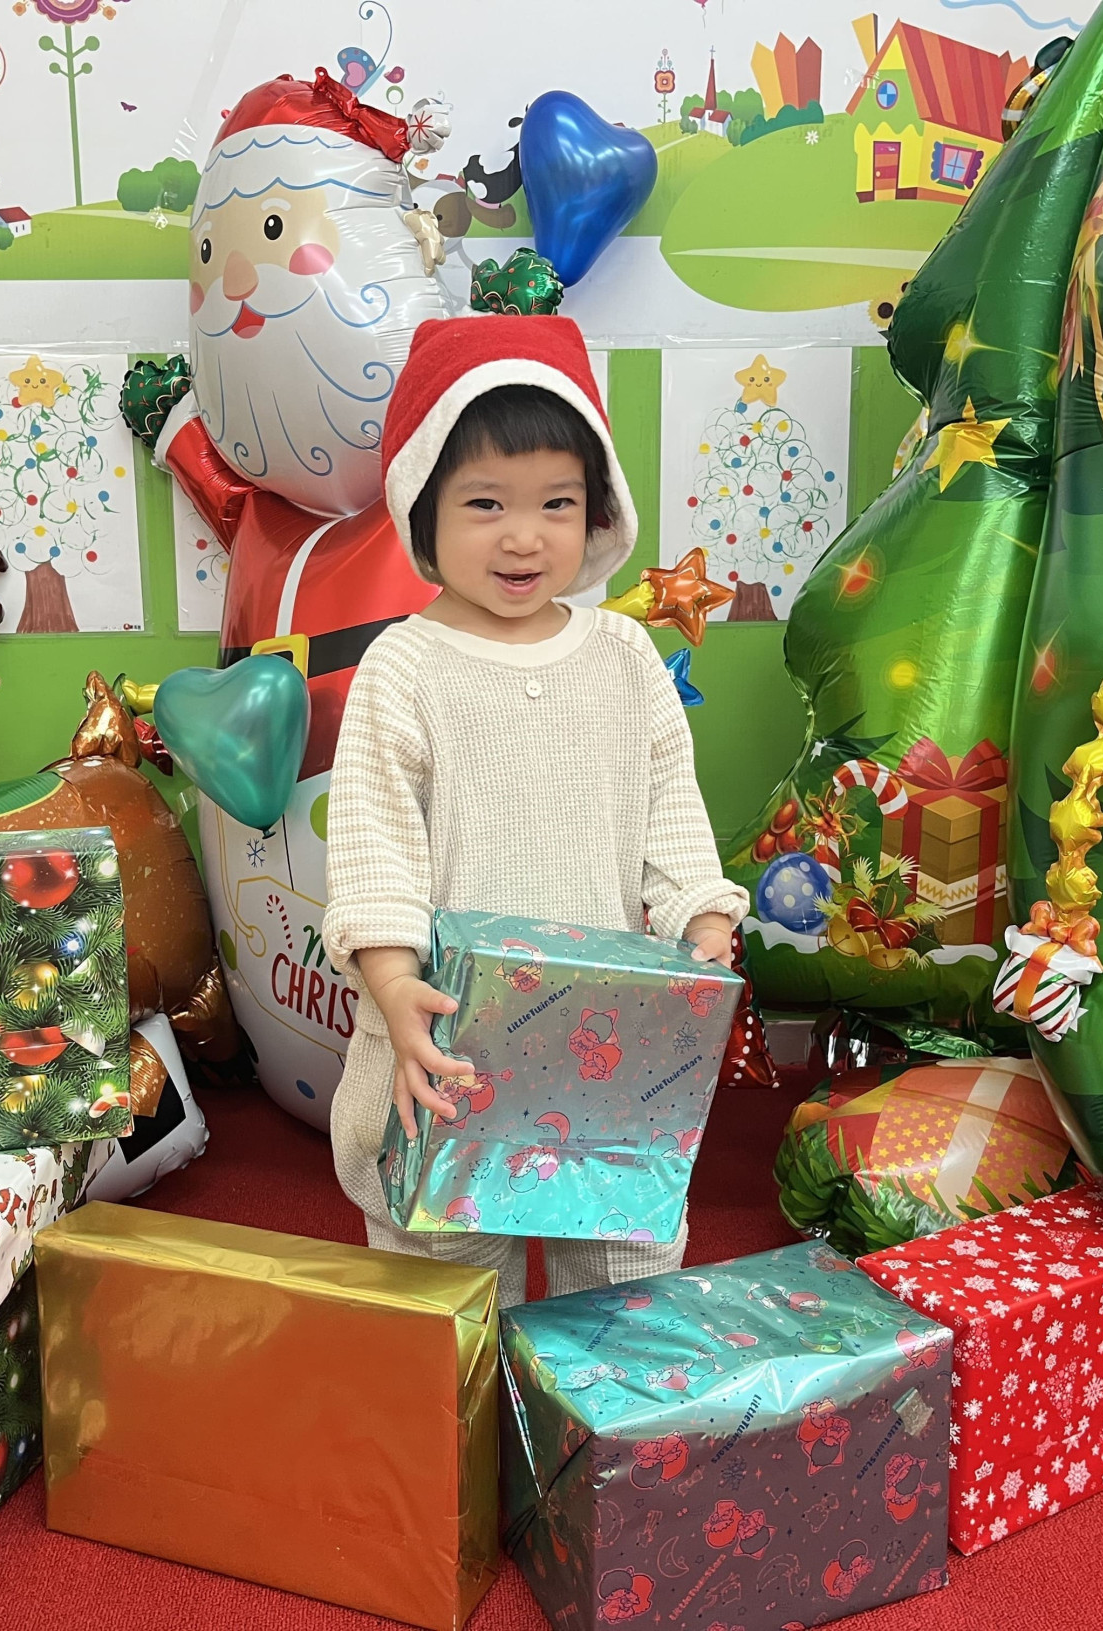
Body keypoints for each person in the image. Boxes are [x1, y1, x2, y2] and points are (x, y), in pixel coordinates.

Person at [322, 313, 748, 1307]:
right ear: (423, 509)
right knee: (448, 1281)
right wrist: (395, 987)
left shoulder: (624, 656)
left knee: (626, 1273)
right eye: (485, 503)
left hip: (609, 1041)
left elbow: (670, 810)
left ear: (597, 511)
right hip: (447, 1041)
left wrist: (703, 915)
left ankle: (601, 1403)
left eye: (557, 502)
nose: (523, 535)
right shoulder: (404, 667)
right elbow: (375, 855)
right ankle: (462, 1405)